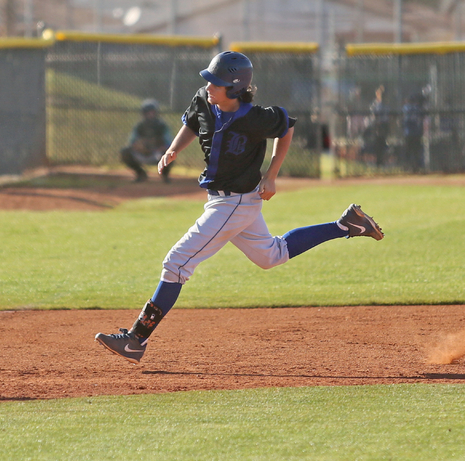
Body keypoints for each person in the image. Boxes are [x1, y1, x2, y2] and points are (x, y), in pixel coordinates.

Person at [95, 51, 384, 364]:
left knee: (176, 264)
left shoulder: (255, 117)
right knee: (272, 255)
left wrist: (272, 175)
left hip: (235, 202)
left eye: (215, 83)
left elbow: (286, 127)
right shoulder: (205, 101)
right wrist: (173, 149)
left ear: (233, 88)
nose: (208, 86)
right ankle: (347, 225)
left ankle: (136, 339)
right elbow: (192, 123)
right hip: (222, 200)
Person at [120, 99, 173, 183]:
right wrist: (138, 147)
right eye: (147, 112)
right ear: (143, 113)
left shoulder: (161, 126)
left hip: (157, 154)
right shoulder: (139, 126)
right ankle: (140, 173)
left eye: (152, 112)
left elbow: (169, 143)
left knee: (171, 152)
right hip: (142, 153)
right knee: (125, 152)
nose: (150, 115)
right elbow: (131, 142)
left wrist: (160, 148)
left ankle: (164, 175)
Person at [402, 93, 426, 173]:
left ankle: (406, 167)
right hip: (416, 132)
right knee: (416, 151)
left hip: (408, 133)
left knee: (408, 151)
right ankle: (416, 167)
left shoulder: (406, 107)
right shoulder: (417, 108)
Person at [367, 85, 390, 167]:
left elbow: (387, 117)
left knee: (383, 143)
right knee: (377, 144)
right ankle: (378, 161)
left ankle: (382, 161)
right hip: (377, 125)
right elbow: (373, 115)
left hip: (383, 125)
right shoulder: (375, 104)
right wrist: (375, 125)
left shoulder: (385, 104)